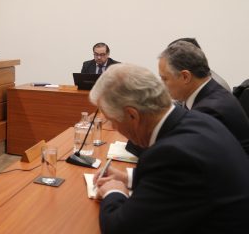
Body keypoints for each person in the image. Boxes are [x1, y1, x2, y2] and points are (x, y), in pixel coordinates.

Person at [91, 64, 249, 234]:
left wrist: (114, 192)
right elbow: (183, 181)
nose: (113, 128)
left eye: (112, 121)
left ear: (132, 115)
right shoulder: (198, 119)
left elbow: (121, 229)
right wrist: (126, 178)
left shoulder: (171, 154)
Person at [158, 41, 249, 154]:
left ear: (185, 77)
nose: (162, 85)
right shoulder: (209, 93)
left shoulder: (209, 110)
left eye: (165, 78)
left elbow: (186, 153)